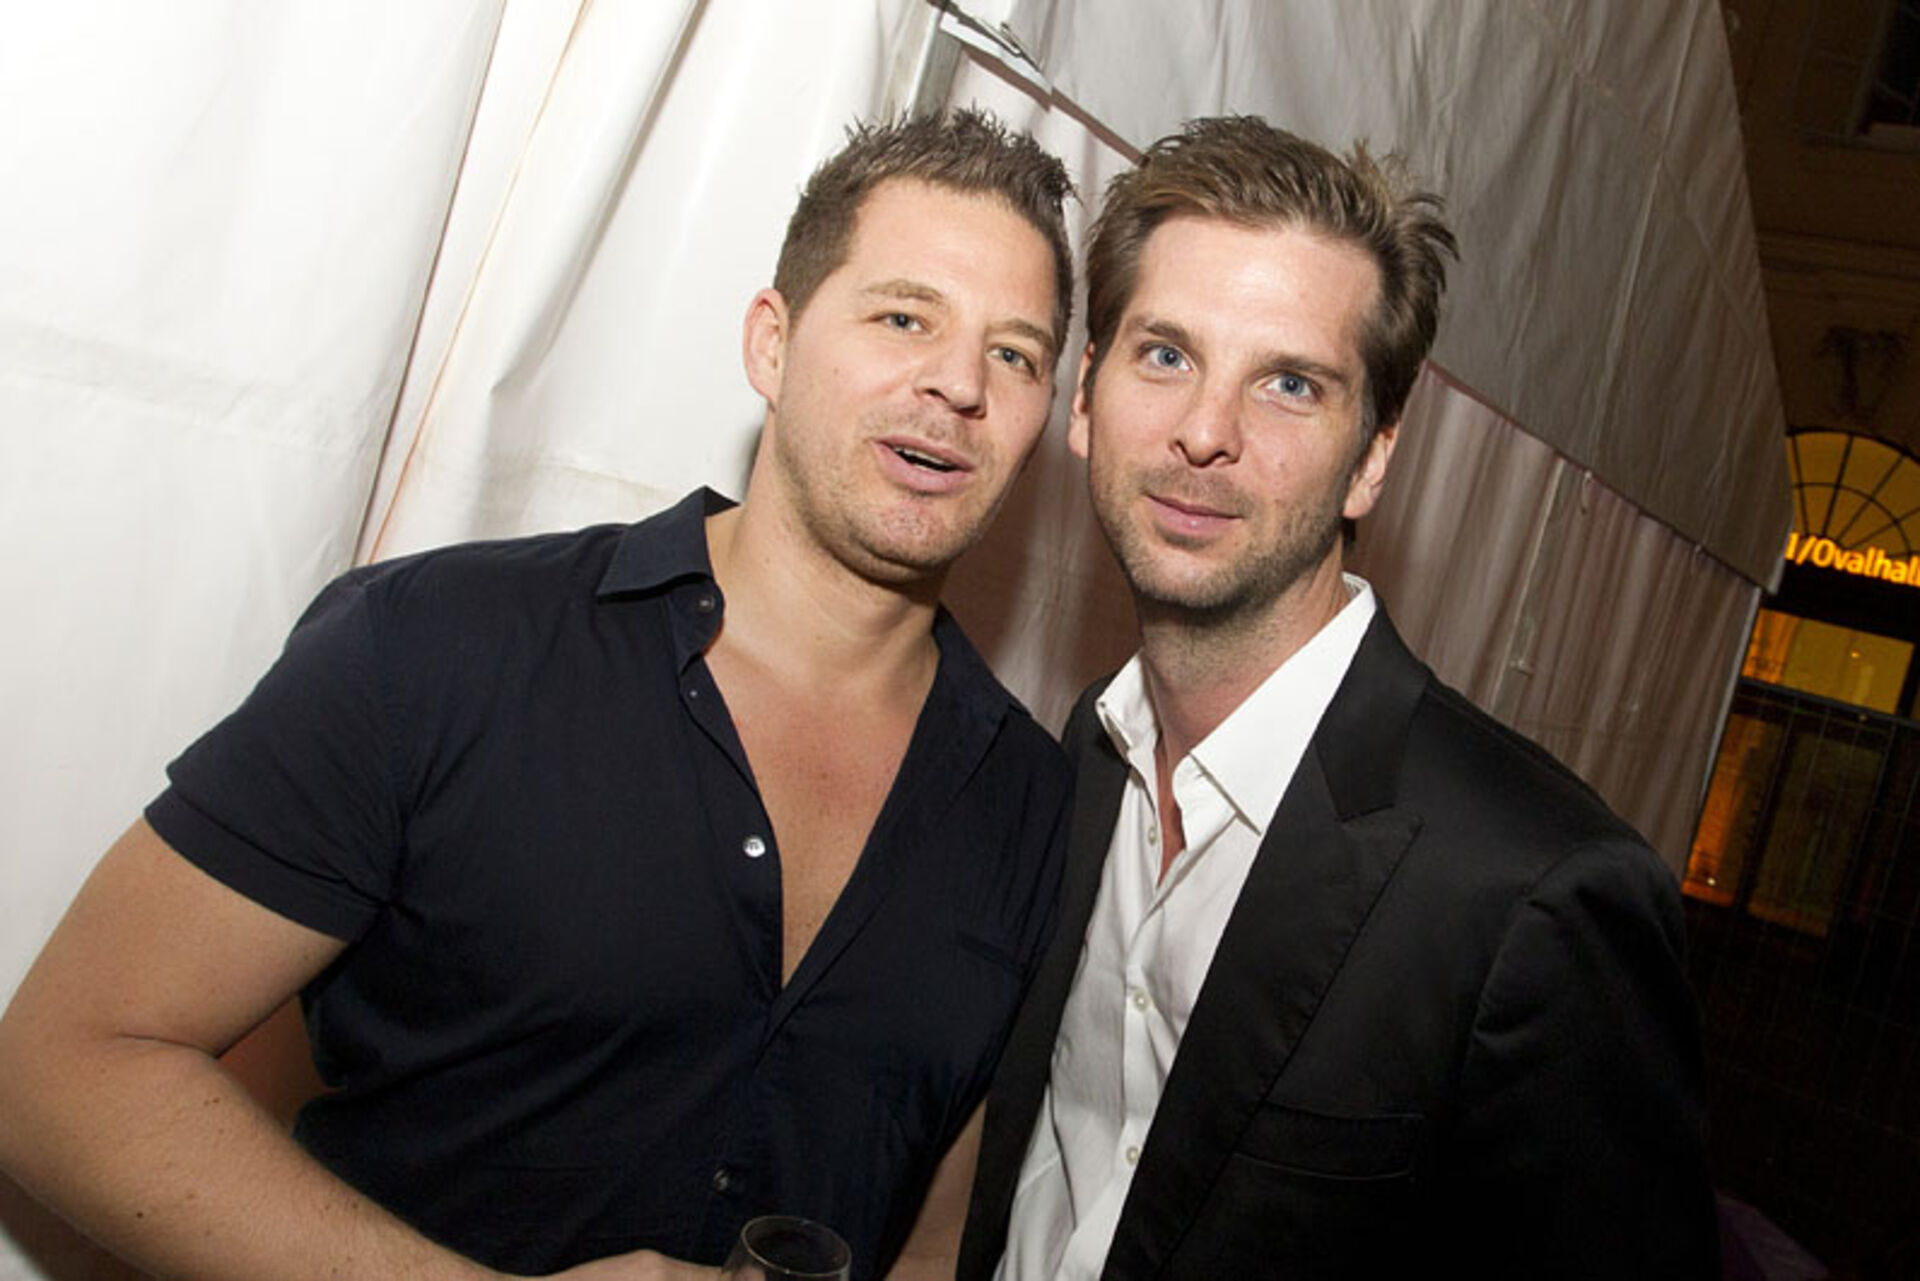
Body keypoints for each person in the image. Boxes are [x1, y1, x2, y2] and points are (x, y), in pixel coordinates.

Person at [0, 109, 1075, 1281]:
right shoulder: (441, 649)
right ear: (772, 344)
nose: (957, 382)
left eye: (1015, 354)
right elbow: (59, 1068)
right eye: (904, 316)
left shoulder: (1038, 809)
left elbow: (936, 1238)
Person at [958, 117, 1720, 1280]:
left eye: (1289, 384)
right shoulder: (1086, 758)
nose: (1204, 433)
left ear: (1371, 459)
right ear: (1085, 402)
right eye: (1165, 355)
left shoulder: (1536, 893)